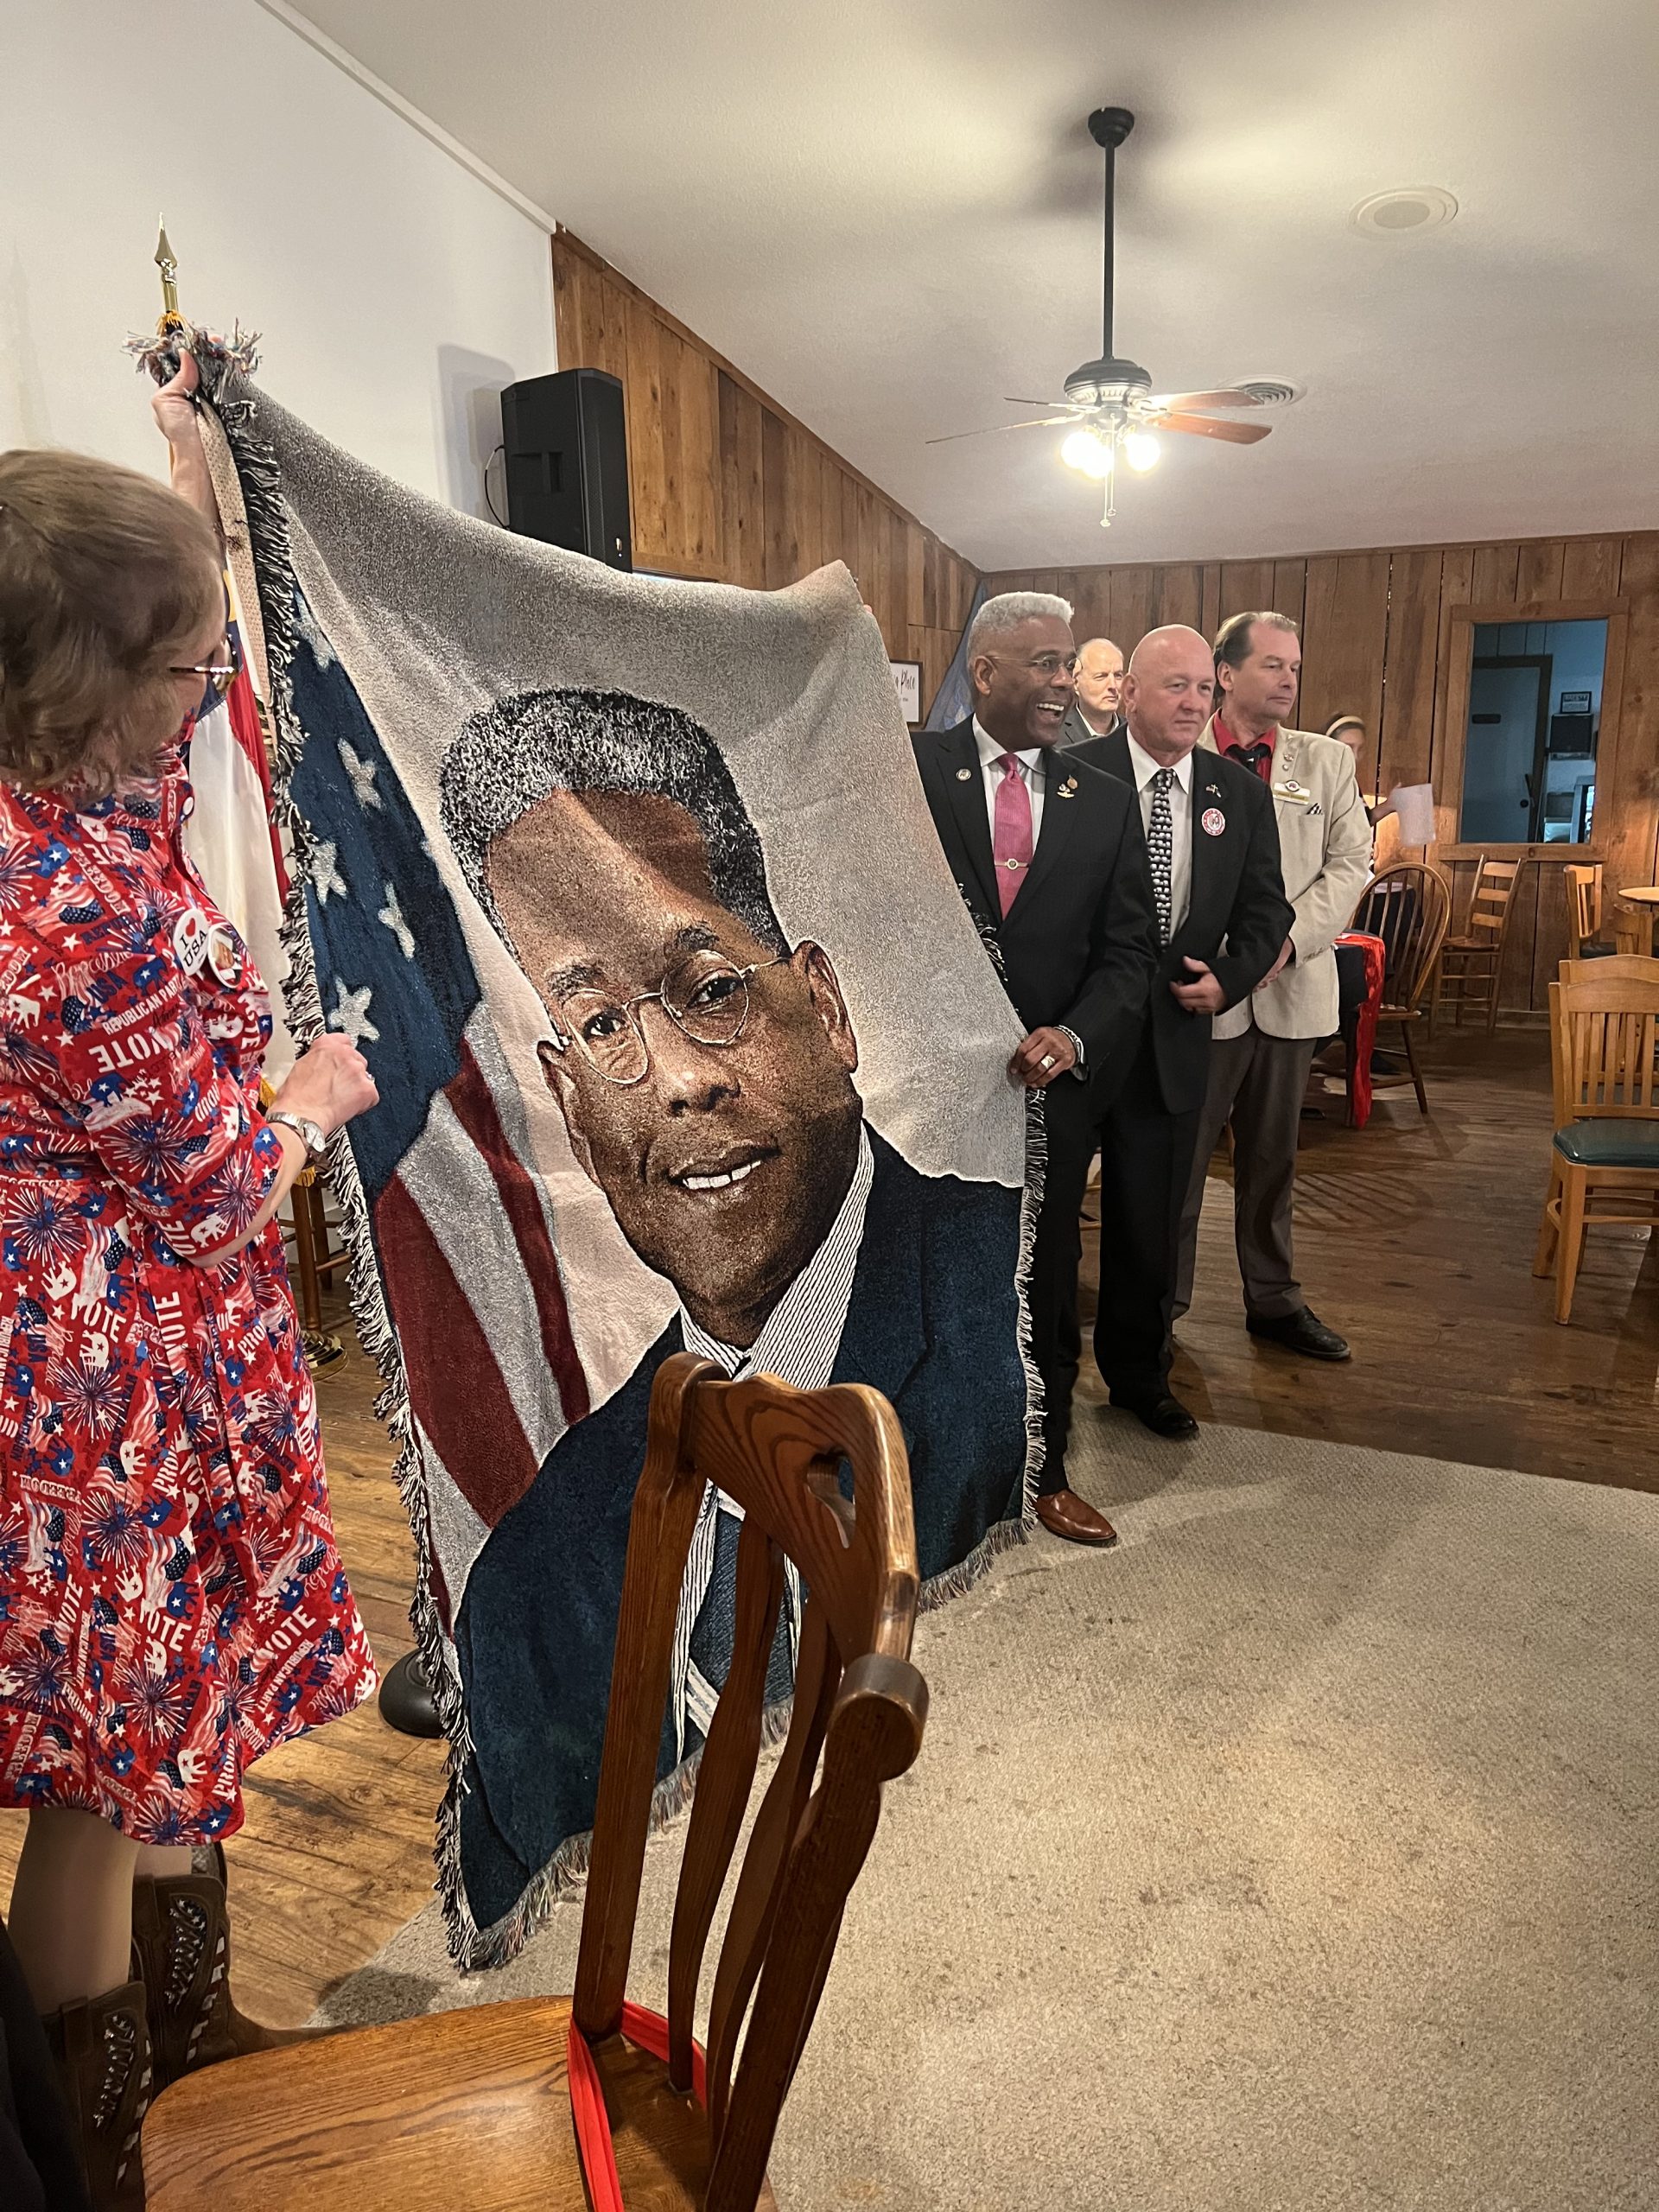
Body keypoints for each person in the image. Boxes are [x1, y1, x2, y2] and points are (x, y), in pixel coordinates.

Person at [438, 689, 1029, 1926]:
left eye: (710, 990)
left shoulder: (1005, 1310)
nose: (681, 1083)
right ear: (569, 1111)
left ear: (825, 1006)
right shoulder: (523, 1591)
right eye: (599, 1024)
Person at [0, 445, 379, 2209]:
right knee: (100, 1759)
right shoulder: (61, 887)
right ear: (81, 671)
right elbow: (217, 1180)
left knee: (163, 1715)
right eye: (178, 664)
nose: (205, 693)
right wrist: (305, 1095)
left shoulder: (72, 818)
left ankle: (187, 2016)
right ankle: (90, 2133)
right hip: (113, 1372)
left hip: (131, 1346)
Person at [912, 592, 1159, 1541]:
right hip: (929, 1091)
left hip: (1048, 1092)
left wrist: (1074, 1032)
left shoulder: (1100, 795)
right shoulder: (912, 773)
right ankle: (923, 1471)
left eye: (1069, 665)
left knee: (1046, 1280)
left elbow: (1130, 950)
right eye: (1047, 664)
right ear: (986, 673)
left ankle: (1044, 1470)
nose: (1066, 682)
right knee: (929, 1276)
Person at [1070, 627, 1293, 1436]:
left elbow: (1269, 911)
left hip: (1175, 1039)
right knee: (1057, 1220)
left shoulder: (1238, 795)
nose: (1195, 703)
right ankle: (1045, 1376)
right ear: (1130, 692)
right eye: (1176, 687)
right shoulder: (1072, 778)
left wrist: (1231, 980)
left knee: (1151, 1219)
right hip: (1080, 1040)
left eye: (1204, 688)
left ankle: (1138, 1374)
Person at [1175, 612, 1372, 1359]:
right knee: (1182, 1160)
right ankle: (1161, 1305)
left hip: (1291, 988)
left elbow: (1350, 864)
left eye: (1295, 665)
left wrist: (1284, 942)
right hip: (1199, 994)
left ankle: (1275, 1301)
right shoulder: (1179, 754)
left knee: (1272, 1159)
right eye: (1273, 665)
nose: (1289, 678)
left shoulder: (1325, 764)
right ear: (1226, 674)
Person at [1062, 633, 1125, 745]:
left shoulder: (1135, 734)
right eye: (1101, 676)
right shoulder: (1055, 734)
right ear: (1076, 683)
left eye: (1118, 675)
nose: (1113, 686)